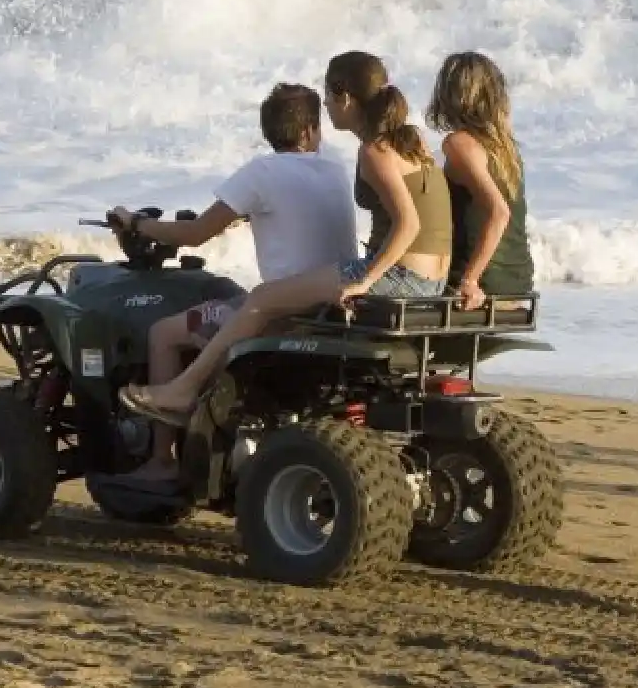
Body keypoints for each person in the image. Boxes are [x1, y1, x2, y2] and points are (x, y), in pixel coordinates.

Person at [119, 49, 453, 426]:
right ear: (310, 132)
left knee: (257, 300)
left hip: (395, 277)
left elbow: (408, 223)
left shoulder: (369, 152)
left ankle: (181, 395)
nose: (327, 108)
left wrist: (367, 278)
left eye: (329, 97)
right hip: (433, 281)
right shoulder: (392, 148)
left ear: (345, 98)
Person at [109, 82, 359, 482]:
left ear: (268, 131)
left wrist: (138, 223)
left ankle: (160, 460)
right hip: (332, 306)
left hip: (282, 313)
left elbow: (195, 234)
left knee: (163, 332)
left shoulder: (260, 172)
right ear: (311, 131)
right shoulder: (335, 168)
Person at [424, 50, 534, 311]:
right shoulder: (505, 148)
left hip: (483, 282)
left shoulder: (459, 144)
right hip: (518, 280)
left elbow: (499, 212)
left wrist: (470, 280)